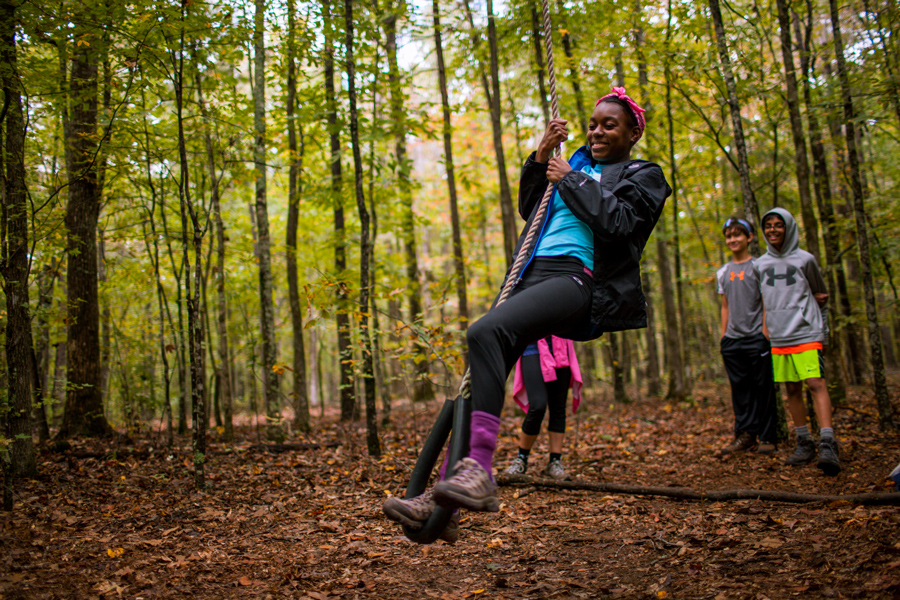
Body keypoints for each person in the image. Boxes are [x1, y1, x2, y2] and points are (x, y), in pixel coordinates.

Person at [383, 87, 671, 535]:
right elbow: (530, 209)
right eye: (593, 124)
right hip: (530, 276)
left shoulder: (642, 174)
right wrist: (540, 157)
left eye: (609, 125)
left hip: (577, 278)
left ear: (632, 134)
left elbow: (619, 223)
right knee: (479, 376)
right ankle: (443, 504)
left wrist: (570, 179)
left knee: (483, 333)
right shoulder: (572, 166)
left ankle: (479, 470)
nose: (596, 131)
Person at [756, 208, 840, 476]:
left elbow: (821, 296)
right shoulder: (760, 264)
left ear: (789, 227)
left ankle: (828, 442)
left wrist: (823, 332)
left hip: (806, 331)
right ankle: (804, 442)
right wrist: (765, 330)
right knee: (791, 389)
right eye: (768, 225)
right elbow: (764, 299)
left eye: (778, 225)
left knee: (815, 383)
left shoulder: (806, 260)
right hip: (779, 336)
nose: (773, 230)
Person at [716, 217, 779, 455]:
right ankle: (744, 435)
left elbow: (766, 301)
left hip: (757, 338)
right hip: (732, 341)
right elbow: (725, 305)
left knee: (763, 388)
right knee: (740, 390)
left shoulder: (759, 267)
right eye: (729, 236)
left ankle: (768, 436)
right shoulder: (723, 272)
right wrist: (724, 336)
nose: (733, 240)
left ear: (749, 237)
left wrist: (765, 333)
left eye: (737, 235)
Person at [504, 335, 582, 480]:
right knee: (537, 406)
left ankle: (555, 462)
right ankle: (521, 459)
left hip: (561, 345)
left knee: (558, 407)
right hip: (532, 346)